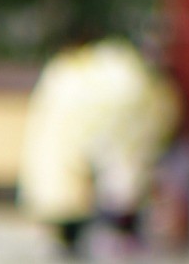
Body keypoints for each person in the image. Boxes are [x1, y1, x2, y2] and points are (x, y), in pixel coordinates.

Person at [19, 26, 179, 258]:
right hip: (127, 124)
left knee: (65, 186)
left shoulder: (66, 72)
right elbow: (160, 111)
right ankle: (120, 232)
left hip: (70, 143)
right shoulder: (126, 67)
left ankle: (77, 238)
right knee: (123, 176)